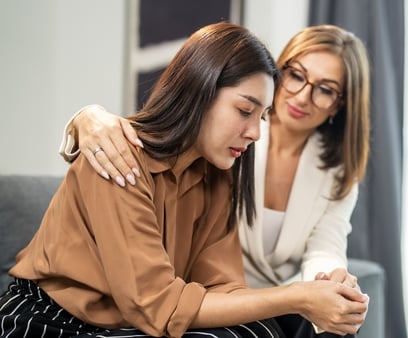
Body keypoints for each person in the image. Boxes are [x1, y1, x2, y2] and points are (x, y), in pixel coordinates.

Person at [0, 22, 368, 338]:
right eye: (244, 110)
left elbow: (223, 286)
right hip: (53, 324)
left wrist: (310, 299)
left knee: (272, 330)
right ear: (200, 90)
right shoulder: (119, 157)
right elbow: (155, 305)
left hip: (128, 325)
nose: (256, 132)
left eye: (262, 116)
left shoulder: (218, 171)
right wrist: (296, 297)